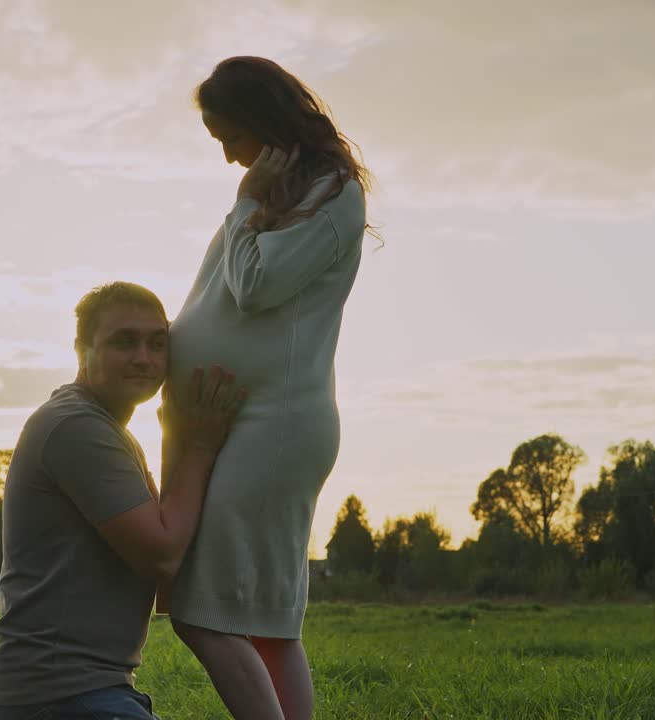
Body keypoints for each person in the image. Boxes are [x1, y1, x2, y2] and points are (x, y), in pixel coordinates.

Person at [162, 56, 374, 720]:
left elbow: (253, 288)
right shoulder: (278, 192)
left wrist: (247, 202)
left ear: (263, 121)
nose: (230, 159)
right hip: (240, 418)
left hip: (276, 421)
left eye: (231, 138)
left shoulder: (332, 192)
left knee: (205, 611)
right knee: (263, 621)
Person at [0, 281, 246, 720]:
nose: (144, 358)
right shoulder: (75, 427)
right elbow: (162, 557)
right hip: (60, 696)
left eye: (157, 343)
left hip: (87, 691)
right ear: (81, 349)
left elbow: (170, 565)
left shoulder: (108, 431)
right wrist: (199, 447)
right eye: (124, 342)